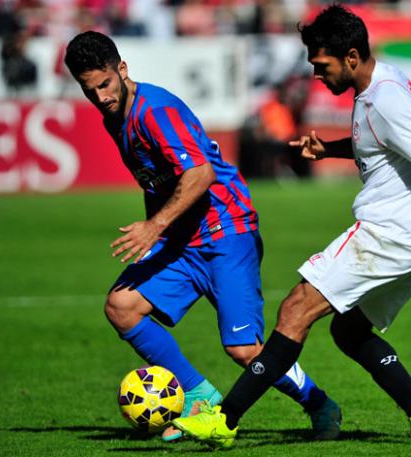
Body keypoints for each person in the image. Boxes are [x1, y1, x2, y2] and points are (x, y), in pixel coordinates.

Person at [173, 4, 411, 448]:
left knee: (295, 309)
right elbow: (380, 143)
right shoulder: (383, 80)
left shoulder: (384, 99)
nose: (316, 74)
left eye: (322, 64)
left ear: (351, 57)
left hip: (386, 233)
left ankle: (223, 421)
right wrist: (328, 149)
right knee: (349, 331)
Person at [63, 31, 341, 442]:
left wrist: (153, 227)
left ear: (122, 69)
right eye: (90, 90)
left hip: (226, 231)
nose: (101, 96)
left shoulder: (155, 110)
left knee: (245, 350)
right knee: (122, 306)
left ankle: (320, 405)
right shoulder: (114, 118)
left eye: (105, 84)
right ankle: (198, 393)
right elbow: (154, 181)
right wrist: (158, 234)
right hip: (182, 242)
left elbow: (200, 174)